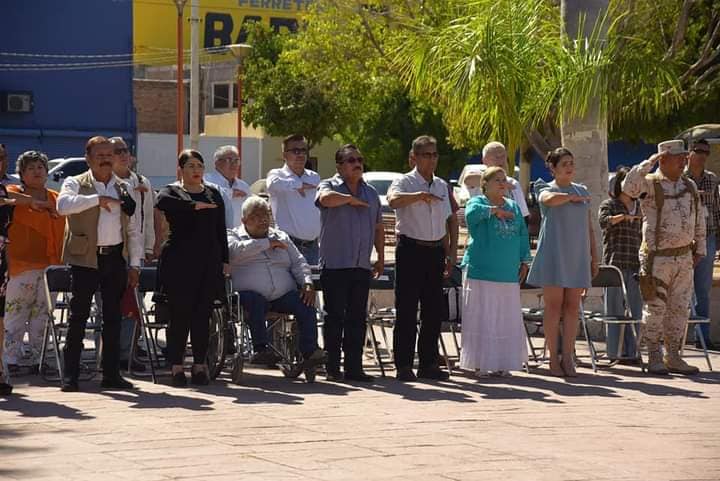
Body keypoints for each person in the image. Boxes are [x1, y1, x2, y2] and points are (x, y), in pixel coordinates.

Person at [56, 136, 141, 392]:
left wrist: (135, 264)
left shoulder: (123, 187)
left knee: (113, 318)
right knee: (78, 316)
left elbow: (134, 229)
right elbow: (62, 206)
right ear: (88, 158)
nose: (106, 158)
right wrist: (96, 199)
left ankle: (111, 374)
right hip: (85, 258)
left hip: (114, 258)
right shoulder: (76, 182)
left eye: (109, 154)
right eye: (100, 155)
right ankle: (70, 376)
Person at [623, 140, 705, 375]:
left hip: (684, 257)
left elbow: (699, 218)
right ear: (663, 159)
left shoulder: (688, 186)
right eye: (678, 157)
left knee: (679, 309)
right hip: (657, 259)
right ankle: (653, 355)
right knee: (656, 308)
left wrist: (700, 248)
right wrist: (648, 163)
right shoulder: (649, 184)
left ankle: (674, 355)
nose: (683, 162)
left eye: (684, 157)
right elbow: (628, 188)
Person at [156, 149, 229, 387]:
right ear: (181, 170)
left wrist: (225, 261)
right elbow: (161, 202)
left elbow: (220, 231)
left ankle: (200, 364)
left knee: (202, 316)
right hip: (179, 262)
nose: (196, 170)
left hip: (208, 261)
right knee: (180, 315)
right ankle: (177, 366)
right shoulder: (173, 192)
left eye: (199, 165)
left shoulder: (213, 194)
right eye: (190, 166)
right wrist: (193, 206)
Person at [227, 196, 326, 369]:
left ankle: (310, 351)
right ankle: (260, 349)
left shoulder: (280, 236)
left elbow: (298, 262)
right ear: (244, 220)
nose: (263, 219)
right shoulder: (233, 236)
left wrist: (307, 282)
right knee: (256, 301)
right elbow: (233, 253)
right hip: (248, 297)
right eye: (256, 215)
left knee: (306, 301)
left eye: (266, 214)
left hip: (281, 295)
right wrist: (266, 244)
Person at [387, 135, 455, 381]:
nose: (432, 159)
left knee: (433, 311)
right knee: (406, 309)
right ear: (413, 157)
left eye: (435, 154)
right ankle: (403, 365)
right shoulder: (404, 181)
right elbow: (393, 201)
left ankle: (429, 363)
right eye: (426, 154)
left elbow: (449, 220)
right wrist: (418, 196)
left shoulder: (441, 185)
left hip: (435, 250)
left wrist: (450, 253)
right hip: (411, 249)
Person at [526, 147, 599, 377]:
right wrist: (569, 197)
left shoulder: (583, 191)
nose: (569, 167)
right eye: (564, 163)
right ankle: (552, 360)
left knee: (572, 308)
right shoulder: (545, 188)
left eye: (571, 162)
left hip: (577, 256)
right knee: (554, 306)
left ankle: (568, 357)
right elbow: (548, 199)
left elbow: (589, 227)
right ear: (553, 168)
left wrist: (593, 256)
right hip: (554, 255)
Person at [316, 144, 384, 382]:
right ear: (339, 166)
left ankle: (354, 368)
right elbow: (325, 199)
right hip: (335, 264)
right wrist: (349, 200)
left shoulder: (372, 193)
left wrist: (381, 257)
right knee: (334, 317)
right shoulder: (329, 185)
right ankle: (332, 367)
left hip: (361, 264)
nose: (357, 163)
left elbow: (378, 227)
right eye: (351, 160)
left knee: (357, 317)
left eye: (360, 159)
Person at [461, 167, 530, 377]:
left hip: (507, 272)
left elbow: (522, 235)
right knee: (484, 316)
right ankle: (481, 363)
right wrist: (493, 211)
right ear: (485, 184)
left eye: (504, 180)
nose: (502, 183)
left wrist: (525, 261)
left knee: (504, 318)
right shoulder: (478, 202)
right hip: (482, 272)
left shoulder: (514, 207)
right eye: (497, 180)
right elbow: (470, 216)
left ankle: (503, 363)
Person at [4, 151, 65, 374]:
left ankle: (39, 360)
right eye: (30, 168)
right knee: (16, 314)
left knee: (43, 316)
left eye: (40, 167)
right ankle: (10, 360)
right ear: (21, 174)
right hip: (20, 266)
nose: (37, 171)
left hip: (50, 267)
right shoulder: (12, 194)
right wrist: (33, 202)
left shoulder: (57, 198)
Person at [110, 137, 155, 371]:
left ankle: (128, 353)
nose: (123, 154)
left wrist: (149, 247)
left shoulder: (142, 181)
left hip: (135, 251)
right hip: (111, 250)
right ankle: (107, 354)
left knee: (133, 305)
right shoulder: (106, 181)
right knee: (108, 306)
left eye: (125, 150)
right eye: (117, 151)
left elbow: (147, 219)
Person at [598, 167, 643, 360]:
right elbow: (603, 222)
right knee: (614, 310)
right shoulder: (610, 204)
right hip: (614, 265)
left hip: (635, 265)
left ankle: (633, 352)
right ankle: (614, 352)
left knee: (636, 310)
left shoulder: (641, 206)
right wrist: (623, 218)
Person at [684, 138, 719, 350]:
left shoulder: (712, 179)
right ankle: (672, 339)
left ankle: (702, 339)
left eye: (707, 152)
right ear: (689, 152)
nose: (703, 155)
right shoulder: (680, 178)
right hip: (683, 239)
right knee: (680, 288)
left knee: (703, 288)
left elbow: (716, 209)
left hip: (708, 236)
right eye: (699, 151)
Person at [266, 134, 321, 264]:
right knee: (289, 285)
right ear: (285, 155)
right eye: (295, 151)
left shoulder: (314, 177)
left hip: (313, 247)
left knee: (313, 283)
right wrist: (299, 185)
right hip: (288, 246)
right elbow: (272, 184)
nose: (300, 155)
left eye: (303, 151)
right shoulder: (276, 175)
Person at [204, 145, 251, 228]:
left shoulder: (243, 186)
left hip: (239, 236)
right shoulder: (206, 180)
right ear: (217, 163)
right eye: (229, 160)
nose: (234, 164)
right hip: (214, 234)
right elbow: (206, 196)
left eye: (236, 160)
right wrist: (230, 193)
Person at [482, 142, 530, 220]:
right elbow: (468, 180)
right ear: (484, 160)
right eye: (496, 157)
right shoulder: (476, 175)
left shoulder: (513, 183)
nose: (501, 160)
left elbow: (523, 215)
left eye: (503, 156)